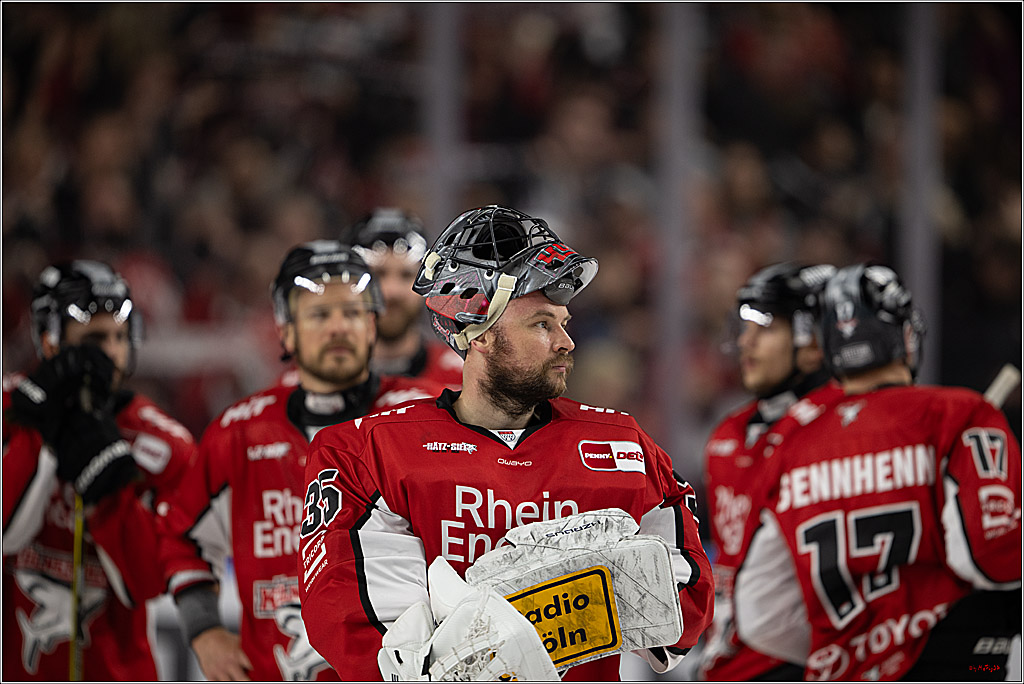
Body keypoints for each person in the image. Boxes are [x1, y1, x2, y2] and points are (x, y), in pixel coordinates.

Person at [298, 205, 715, 681]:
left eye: (563, 322)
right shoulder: (365, 453)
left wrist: (531, 607)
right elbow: (382, 653)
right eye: (541, 324)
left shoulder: (625, 446)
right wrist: (578, 592)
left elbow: (685, 612)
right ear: (477, 330)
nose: (566, 341)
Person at [156, 240, 446, 681]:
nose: (338, 328)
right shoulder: (240, 431)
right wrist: (204, 630)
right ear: (286, 331)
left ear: (372, 326)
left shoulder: (421, 420)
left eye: (351, 313)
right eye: (319, 315)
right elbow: (180, 537)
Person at [733, 263, 1022, 681]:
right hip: (951, 665)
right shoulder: (958, 413)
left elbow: (760, 612)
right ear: (905, 335)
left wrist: (851, 653)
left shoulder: (791, 445)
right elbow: (990, 556)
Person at [3, 260, 195, 681]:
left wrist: (108, 486)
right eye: (94, 338)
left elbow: (143, 582)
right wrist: (40, 434)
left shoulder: (165, 444)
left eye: (119, 337)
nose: (110, 352)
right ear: (51, 343)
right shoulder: (9, 409)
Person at [699, 262, 842, 681]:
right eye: (745, 329)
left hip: (798, 664)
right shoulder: (727, 436)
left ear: (814, 342)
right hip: (726, 659)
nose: (746, 343)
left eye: (766, 328)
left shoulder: (839, 429)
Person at [342, 207, 464, 389]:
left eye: (406, 275)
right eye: (378, 274)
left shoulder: (463, 380)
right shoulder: (313, 385)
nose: (392, 291)